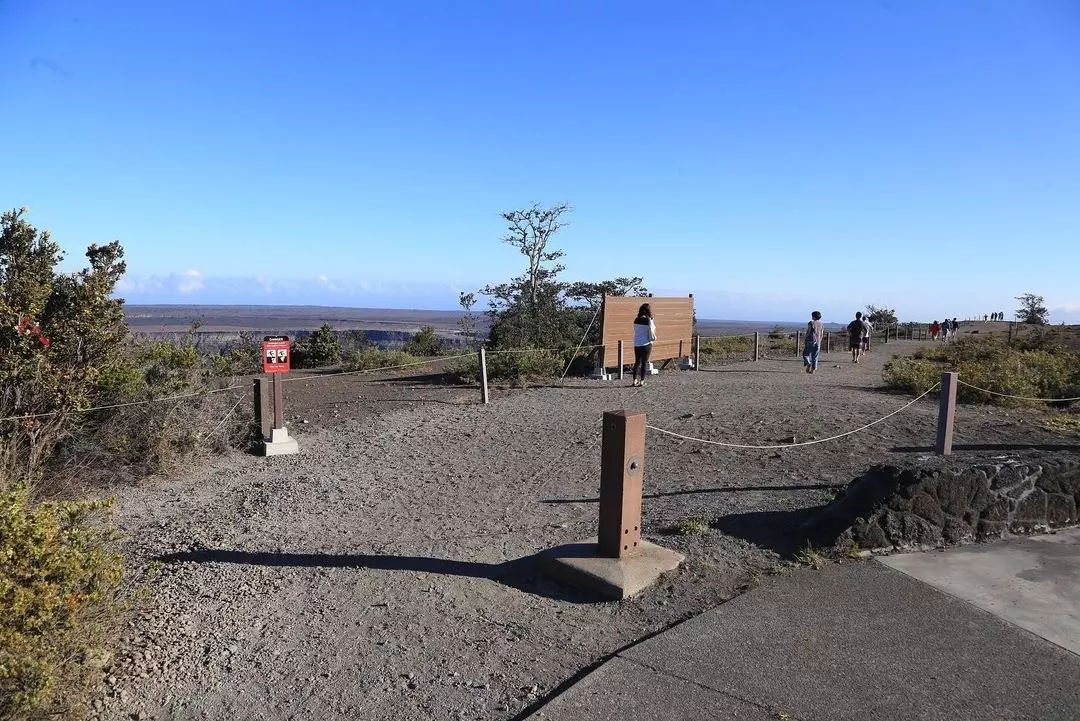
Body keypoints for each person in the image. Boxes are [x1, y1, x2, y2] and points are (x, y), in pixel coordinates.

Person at [631, 303, 656, 387]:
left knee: (637, 362)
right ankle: (642, 380)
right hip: (646, 343)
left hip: (637, 343)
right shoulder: (649, 320)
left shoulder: (636, 320)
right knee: (644, 363)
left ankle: (634, 380)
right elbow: (653, 330)